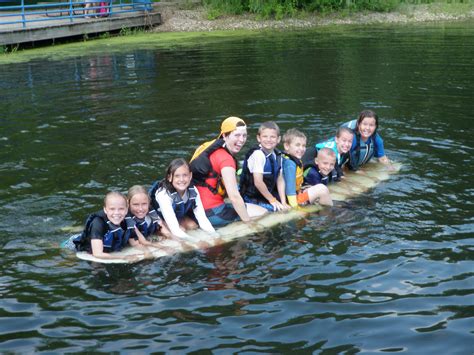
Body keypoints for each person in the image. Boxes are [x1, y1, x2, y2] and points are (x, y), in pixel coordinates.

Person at [190, 116, 267, 227]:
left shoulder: (209, 150)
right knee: (262, 212)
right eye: (237, 135)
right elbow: (234, 197)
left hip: (197, 209)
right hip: (213, 213)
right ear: (225, 136)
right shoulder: (226, 159)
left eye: (244, 135)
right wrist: (249, 224)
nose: (241, 140)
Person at [152, 158, 218, 243]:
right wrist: (197, 242)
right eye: (177, 176)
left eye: (185, 175)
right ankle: (158, 233)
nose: (182, 179)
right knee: (181, 230)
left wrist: (216, 236)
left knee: (192, 226)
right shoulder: (163, 194)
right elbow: (175, 230)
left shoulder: (193, 190)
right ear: (169, 177)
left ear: (190, 176)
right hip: (157, 218)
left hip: (176, 214)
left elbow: (202, 218)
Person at [66, 191, 138, 261]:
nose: (117, 213)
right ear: (105, 210)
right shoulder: (97, 223)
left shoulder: (128, 221)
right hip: (74, 245)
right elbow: (97, 254)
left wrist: (146, 253)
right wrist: (123, 257)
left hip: (98, 237)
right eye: (112, 209)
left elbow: (135, 243)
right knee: (68, 262)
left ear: (126, 210)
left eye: (121, 209)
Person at [239, 121, 290, 212]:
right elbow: (258, 182)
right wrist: (273, 200)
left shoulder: (278, 155)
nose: (269, 140)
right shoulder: (258, 155)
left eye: (272, 137)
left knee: (286, 206)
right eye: (265, 136)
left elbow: (280, 178)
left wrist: (283, 202)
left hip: (265, 194)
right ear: (259, 138)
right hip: (251, 197)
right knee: (277, 211)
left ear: (278, 139)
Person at [282, 129, 333, 208]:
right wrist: (296, 207)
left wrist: (301, 191)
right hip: (292, 200)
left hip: (296, 194)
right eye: (297, 145)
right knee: (322, 189)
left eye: (303, 145)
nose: (301, 148)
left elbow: (296, 184)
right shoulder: (289, 164)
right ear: (287, 146)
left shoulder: (295, 161)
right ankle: (329, 213)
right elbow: (289, 190)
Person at [126, 185, 163, 249]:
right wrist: (162, 247)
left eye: (144, 204)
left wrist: (179, 240)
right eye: (136, 204)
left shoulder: (151, 211)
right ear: (128, 203)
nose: (140, 209)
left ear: (149, 202)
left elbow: (163, 228)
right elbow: (143, 241)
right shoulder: (127, 219)